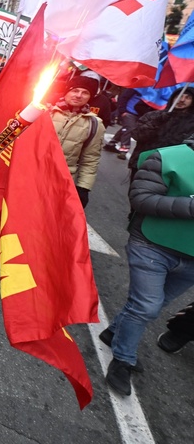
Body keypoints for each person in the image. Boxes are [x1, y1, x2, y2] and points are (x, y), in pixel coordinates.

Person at [101, 135, 194, 396]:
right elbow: (142, 199)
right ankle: (123, 359)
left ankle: (113, 332)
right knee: (146, 306)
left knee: (155, 303)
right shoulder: (167, 156)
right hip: (152, 246)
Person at [49, 75, 105, 208]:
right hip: (30, 175)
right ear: (67, 92)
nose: (79, 95)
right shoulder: (46, 113)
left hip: (61, 182)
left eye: (85, 92)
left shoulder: (94, 124)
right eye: (75, 90)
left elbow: (90, 159)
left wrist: (83, 188)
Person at [127, 86, 194, 183]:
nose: (182, 100)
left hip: (171, 170)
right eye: (179, 96)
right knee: (136, 195)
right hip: (143, 164)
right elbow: (137, 135)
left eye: (187, 98)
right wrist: (158, 121)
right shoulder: (154, 116)